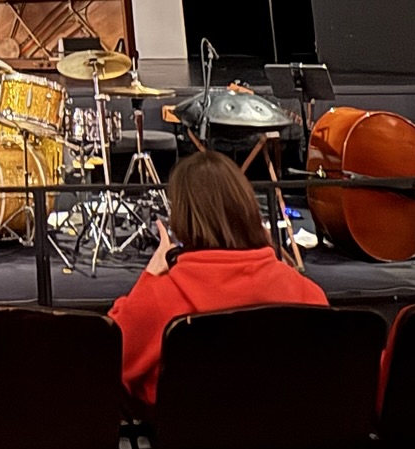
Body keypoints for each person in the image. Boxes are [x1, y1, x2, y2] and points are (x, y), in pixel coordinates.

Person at [109, 148, 327, 410]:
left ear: (181, 219)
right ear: (248, 209)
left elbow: (101, 361)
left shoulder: (159, 300)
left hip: (185, 435)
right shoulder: (308, 296)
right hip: (286, 435)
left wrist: (148, 278)